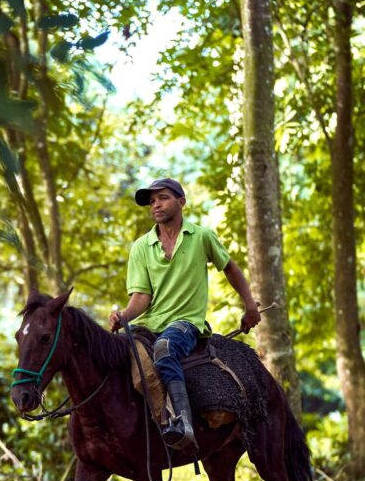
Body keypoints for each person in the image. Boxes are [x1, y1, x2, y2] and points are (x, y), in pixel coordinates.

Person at [109, 178, 261, 455]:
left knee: (164, 348)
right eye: (152, 201)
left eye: (163, 198)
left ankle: (182, 422)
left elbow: (230, 269)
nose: (156, 204)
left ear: (181, 202)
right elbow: (142, 297)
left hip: (185, 323)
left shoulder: (202, 236)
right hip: (148, 324)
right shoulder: (141, 247)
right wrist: (124, 316)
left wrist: (249, 306)